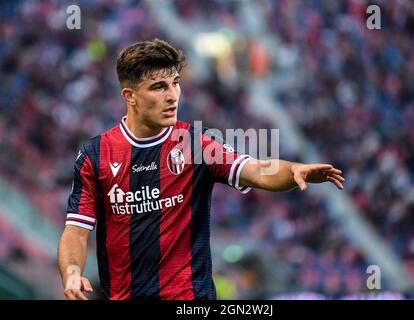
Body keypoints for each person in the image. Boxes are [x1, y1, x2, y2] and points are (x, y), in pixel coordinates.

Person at [57, 38, 345, 300]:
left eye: (175, 83)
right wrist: (71, 272)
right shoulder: (95, 155)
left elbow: (256, 170)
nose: (173, 96)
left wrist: (293, 170)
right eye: (159, 87)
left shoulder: (197, 144)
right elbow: (76, 231)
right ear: (130, 96)